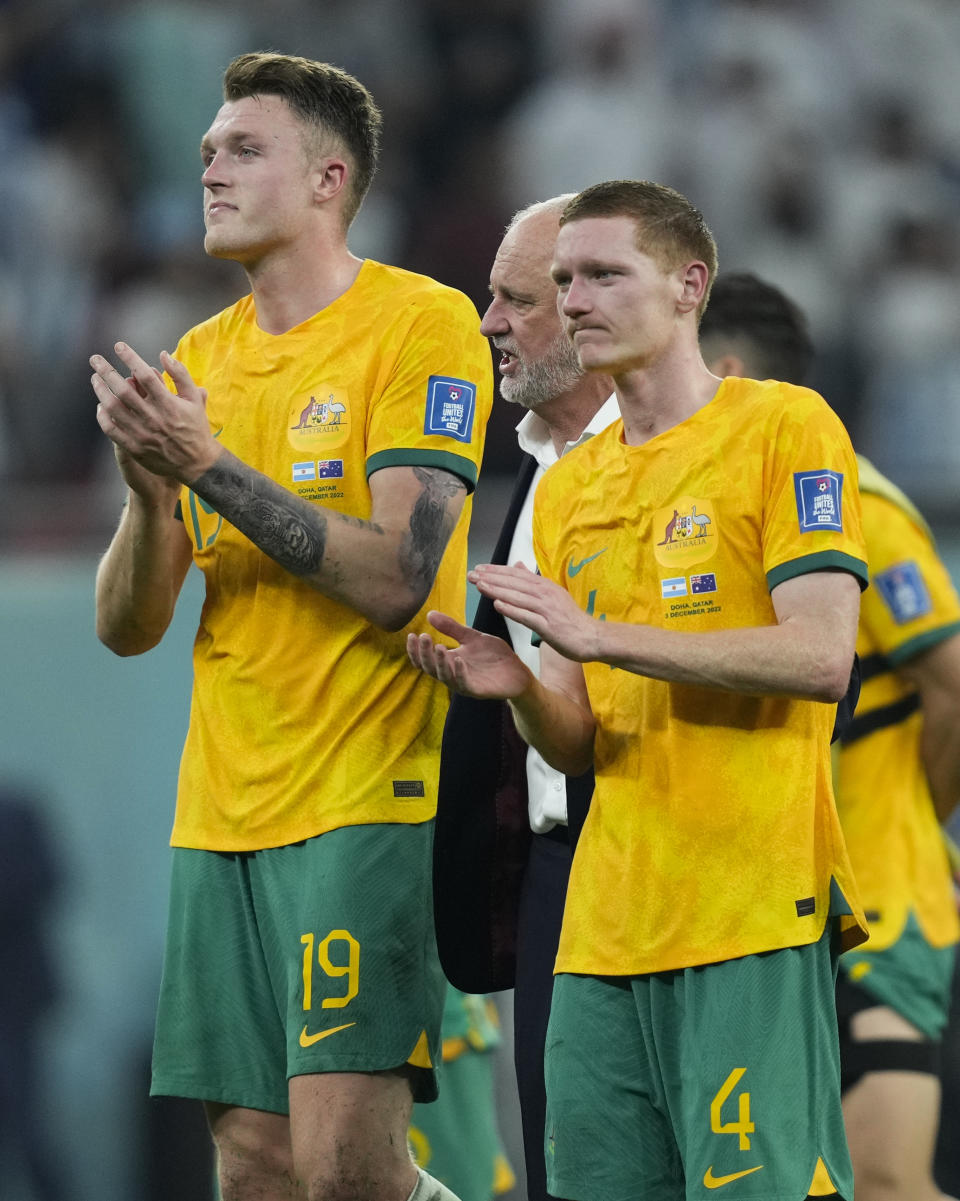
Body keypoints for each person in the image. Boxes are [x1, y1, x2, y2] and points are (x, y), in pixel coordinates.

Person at [408, 179, 870, 1201]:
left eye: (604, 274)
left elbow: (822, 657)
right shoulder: (570, 483)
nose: (575, 299)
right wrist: (517, 686)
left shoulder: (785, 428)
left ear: (689, 285)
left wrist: (605, 635)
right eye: (564, 278)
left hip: (747, 909)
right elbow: (575, 742)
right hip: (601, 928)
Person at [91, 52, 493, 1201]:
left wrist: (207, 465)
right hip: (220, 810)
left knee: (344, 1173)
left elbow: (397, 577)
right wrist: (148, 492)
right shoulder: (200, 363)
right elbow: (130, 627)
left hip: (363, 793)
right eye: (209, 147)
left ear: (329, 178)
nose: (209, 163)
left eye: (242, 147)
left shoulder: (419, 325)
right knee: (255, 1165)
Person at [699, 271, 960, 1201]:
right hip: (779, 904)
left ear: (726, 369)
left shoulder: (863, 506)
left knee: (887, 1179)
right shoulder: (724, 516)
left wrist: (913, 819)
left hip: (882, 901)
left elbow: (954, 688)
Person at [432, 194, 617, 1201]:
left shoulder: (710, 458)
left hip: (669, 860)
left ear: (590, 308)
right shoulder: (540, 465)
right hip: (557, 872)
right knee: (562, 1165)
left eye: (512, 300)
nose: (490, 324)